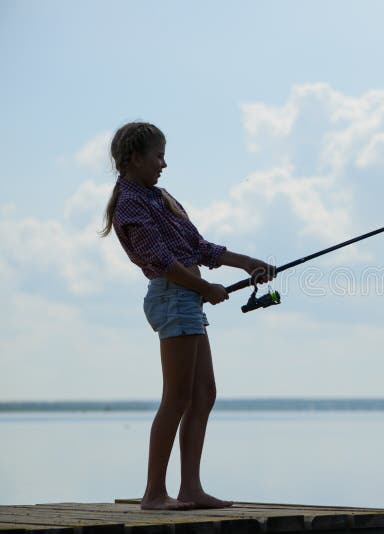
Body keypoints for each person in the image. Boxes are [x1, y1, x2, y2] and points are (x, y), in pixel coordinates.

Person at [100, 122, 275, 510]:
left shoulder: (158, 197)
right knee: (176, 397)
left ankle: (190, 488)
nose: (164, 163)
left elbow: (197, 246)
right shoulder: (131, 203)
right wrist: (205, 289)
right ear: (133, 158)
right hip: (174, 297)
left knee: (203, 394)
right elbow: (162, 262)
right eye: (158, 156)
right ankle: (154, 494)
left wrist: (246, 263)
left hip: (186, 298)